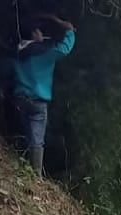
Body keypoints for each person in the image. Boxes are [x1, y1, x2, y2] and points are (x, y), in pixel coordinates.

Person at [12, 15, 76, 177]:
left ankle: (23, 167)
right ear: (34, 34)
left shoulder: (19, 51)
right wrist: (69, 32)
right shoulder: (45, 53)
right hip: (38, 101)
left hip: (19, 99)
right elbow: (64, 49)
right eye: (40, 32)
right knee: (37, 140)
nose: (42, 34)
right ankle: (35, 175)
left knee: (27, 134)